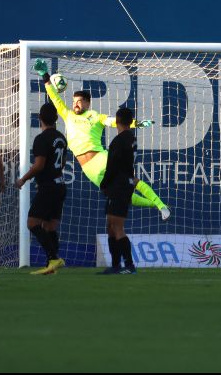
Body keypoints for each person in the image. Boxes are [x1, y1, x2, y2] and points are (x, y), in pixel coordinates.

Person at [32, 59, 170, 221]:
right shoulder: (67, 115)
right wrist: (45, 76)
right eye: (74, 101)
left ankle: (160, 205)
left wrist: (137, 123)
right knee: (121, 195)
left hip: (101, 158)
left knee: (131, 181)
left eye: (79, 101)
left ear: (87, 104)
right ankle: (158, 205)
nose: (75, 104)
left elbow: (115, 121)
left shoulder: (95, 116)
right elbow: (55, 98)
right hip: (88, 169)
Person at [16, 103, 68, 275]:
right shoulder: (61, 137)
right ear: (56, 118)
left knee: (32, 223)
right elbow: (59, 163)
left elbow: (39, 165)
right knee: (50, 226)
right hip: (59, 185)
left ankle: (53, 258)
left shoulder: (41, 139)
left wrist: (24, 179)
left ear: (40, 119)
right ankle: (51, 265)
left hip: (48, 187)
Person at [98, 107, 139, 275]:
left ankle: (129, 265)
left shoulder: (119, 140)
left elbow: (113, 166)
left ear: (116, 121)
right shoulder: (131, 138)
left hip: (118, 186)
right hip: (123, 185)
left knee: (116, 226)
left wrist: (104, 183)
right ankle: (115, 265)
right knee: (110, 226)